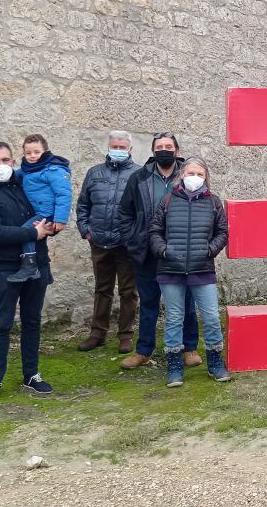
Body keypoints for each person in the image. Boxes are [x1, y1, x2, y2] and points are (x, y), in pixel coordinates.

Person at [0, 141, 54, 406]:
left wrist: (49, 224)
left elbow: (42, 210)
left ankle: (31, 375)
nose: (1, 166)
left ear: (13, 162)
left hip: (36, 263)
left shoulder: (22, 185)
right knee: (2, 325)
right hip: (4, 268)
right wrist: (32, 233)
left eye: (6, 160)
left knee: (32, 322)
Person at [116, 133, 202, 370]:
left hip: (180, 252)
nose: (164, 150)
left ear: (176, 149)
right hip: (146, 252)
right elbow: (125, 213)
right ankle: (143, 350)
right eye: (160, 147)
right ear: (153, 151)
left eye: (169, 146)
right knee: (149, 302)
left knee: (185, 302)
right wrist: (131, 239)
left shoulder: (189, 175)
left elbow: (205, 207)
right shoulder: (139, 178)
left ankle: (189, 347)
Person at [148, 157, 230, 386]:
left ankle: (215, 361)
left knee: (212, 317)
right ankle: (174, 365)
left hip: (202, 269)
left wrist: (209, 249)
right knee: (175, 318)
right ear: (182, 175)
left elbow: (222, 232)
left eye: (200, 174)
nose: (195, 177)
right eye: (190, 173)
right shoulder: (167, 200)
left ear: (206, 178)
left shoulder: (213, 202)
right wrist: (163, 251)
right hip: (170, 270)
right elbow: (155, 230)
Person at [75, 130, 139, 353]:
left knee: (128, 291)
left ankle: (125, 335)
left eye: (122, 147)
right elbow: (83, 205)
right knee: (102, 289)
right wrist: (86, 231)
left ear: (129, 149)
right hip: (99, 241)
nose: (118, 150)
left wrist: (133, 236)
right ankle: (97, 333)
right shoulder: (94, 173)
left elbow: (143, 211)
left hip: (126, 244)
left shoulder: (139, 174)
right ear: (108, 147)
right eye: (115, 146)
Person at [4, 134, 72, 283]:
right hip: (38, 212)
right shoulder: (28, 169)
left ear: (45, 151)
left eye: (37, 152)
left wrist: (60, 219)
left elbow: (63, 195)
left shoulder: (53, 170)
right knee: (33, 235)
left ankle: (30, 266)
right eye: (28, 153)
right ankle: (43, 272)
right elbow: (14, 176)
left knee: (26, 231)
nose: (32, 156)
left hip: (48, 213)